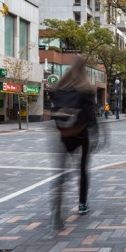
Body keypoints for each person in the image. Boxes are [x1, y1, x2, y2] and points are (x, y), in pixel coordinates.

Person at [49, 56, 96, 230]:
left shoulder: (60, 87)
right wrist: (96, 133)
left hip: (64, 134)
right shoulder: (85, 88)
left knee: (61, 173)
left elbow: (53, 109)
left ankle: (57, 209)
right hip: (81, 134)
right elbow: (91, 116)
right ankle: (82, 204)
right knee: (82, 169)